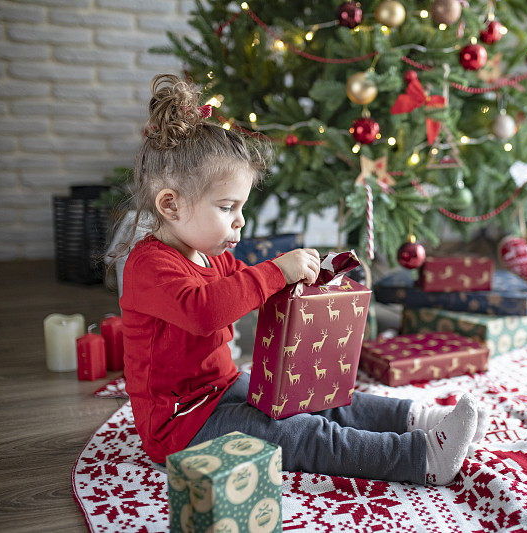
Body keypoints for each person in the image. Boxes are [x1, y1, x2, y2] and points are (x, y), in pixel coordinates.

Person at [113, 74, 489, 486]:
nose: (240, 221)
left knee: (312, 399)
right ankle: (421, 458)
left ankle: (419, 419)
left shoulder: (209, 254)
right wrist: (276, 271)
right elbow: (205, 311)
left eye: (242, 206)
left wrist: (303, 280)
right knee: (301, 434)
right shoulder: (148, 267)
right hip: (180, 427)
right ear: (171, 205)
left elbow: (254, 289)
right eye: (226, 207)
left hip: (220, 389)